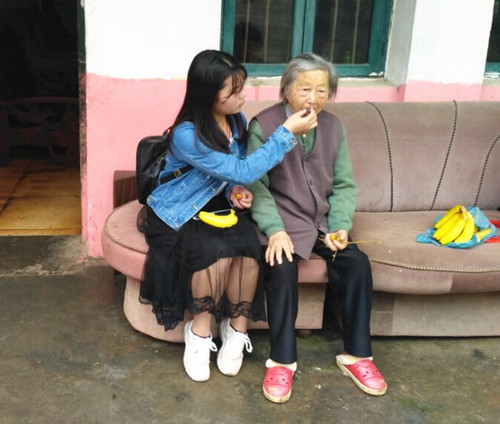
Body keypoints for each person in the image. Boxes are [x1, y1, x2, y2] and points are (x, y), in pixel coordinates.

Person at [137, 50, 318, 383]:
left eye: (242, 87)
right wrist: (286, 132)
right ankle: (199, 333)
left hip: (217, 204)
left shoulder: (235, 120)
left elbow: (232, 173)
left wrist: (235, 189)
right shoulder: (187, 134)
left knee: (249, 248)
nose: (242, 96)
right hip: (179, 210)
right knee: (212, 251)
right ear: (208, 94)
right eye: (233, 91)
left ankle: (236, 329)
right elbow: (242, 168)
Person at [247, 53, 387, 402]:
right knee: (280, 267)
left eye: (322, 90)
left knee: (356, 263)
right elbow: (256, 185)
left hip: (321, 222)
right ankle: (282, 361)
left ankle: (357, 356)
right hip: (282, 223)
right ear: (286, 90)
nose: (314, 98)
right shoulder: (263, 125)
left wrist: (340, 227)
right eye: (305, 89)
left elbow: (343, 185)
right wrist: (274, 229)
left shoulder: (334, 127)